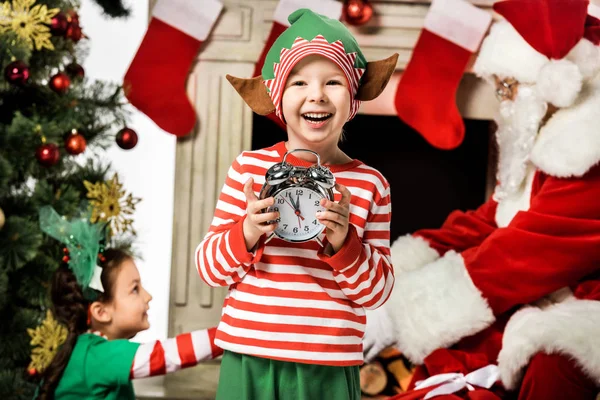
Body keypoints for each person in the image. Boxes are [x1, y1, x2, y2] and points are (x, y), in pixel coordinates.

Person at [362, 0, 600, 399]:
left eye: (508, 87)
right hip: (547, 287)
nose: (503, 103)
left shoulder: (587, 148)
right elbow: (493, 221)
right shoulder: (549, 134)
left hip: (586, 302)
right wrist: (393, 270)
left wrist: (398, 313)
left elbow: (527, 253)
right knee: (457, 351)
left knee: (555, 359)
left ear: (554, 83)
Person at [195, 8, 398, 400]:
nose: (316, 94)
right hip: (249, 354)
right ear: (277, 96)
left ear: (353, 97)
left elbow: (377, 292)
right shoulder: (249, 169)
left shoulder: (371, 185)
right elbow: (209, 269)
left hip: (329, 362)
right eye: (299, 81)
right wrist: (247, 232)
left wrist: (346, 245)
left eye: (333, 81)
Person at [35, 206, 222, 400]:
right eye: (135, 289)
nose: (148, 296)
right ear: (101, 312)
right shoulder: (97, 355)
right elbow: (165, 355)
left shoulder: (87, 352)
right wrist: (227, 334)